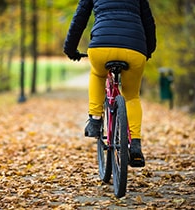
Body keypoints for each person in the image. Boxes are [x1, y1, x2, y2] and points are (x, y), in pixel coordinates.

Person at [63, 0, 156, 167]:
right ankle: (135, 144)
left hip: (101, 46)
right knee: (132, 97)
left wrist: (70, 49)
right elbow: (148, 23)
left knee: (98, 74)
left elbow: (79, 20)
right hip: (135, 47)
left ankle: (95, 119)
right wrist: (148, 50)